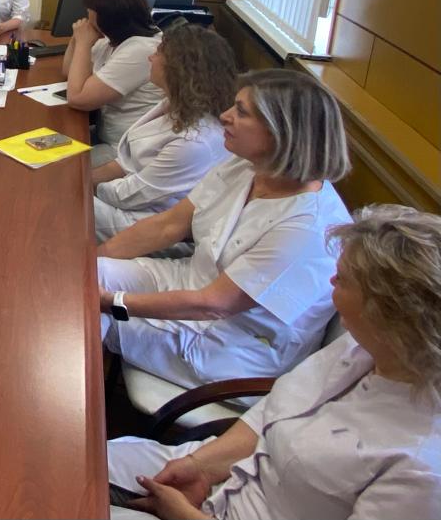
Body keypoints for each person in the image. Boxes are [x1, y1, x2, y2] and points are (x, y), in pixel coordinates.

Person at [106, 205, 441, 520]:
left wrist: (185, 515)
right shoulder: (362, 346)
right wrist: (201, 466)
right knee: (77, 462)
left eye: (343, 279)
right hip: (222, 473)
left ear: (387, 314)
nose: (331, 282)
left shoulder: (422, 469)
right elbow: (272, 412)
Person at [97, 69, 352, 389]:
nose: (224, 116)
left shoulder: (308, 228)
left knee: (81, 309)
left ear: (281, 131)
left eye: (241, 112)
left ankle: (72, 412)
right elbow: (168, 225)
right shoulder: (245, 166)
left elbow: (214, 304)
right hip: (192, 283)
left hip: (234, 343)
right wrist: (91, 260)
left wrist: (113, 301)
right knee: (87, 276)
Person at [92, 24, 237, 241]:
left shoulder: (195, 141)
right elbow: (127, 161)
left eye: (158, 53)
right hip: (134, 198)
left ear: (178, 68)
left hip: (147, 223)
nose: (150, 58)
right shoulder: (175, 104)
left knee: (57, 203)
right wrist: (81, 181)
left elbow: (127, 196)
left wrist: (82, 187)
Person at [62, 0, 164, 165]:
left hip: (125, 150)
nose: (87, 15)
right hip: (104, 135)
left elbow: (77, 98)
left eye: (91, 11)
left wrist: (83, 43)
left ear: (108, 21)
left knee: (59, 168)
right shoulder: (114, 38)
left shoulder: (141, 50)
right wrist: (77, 38)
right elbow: (69, 72)